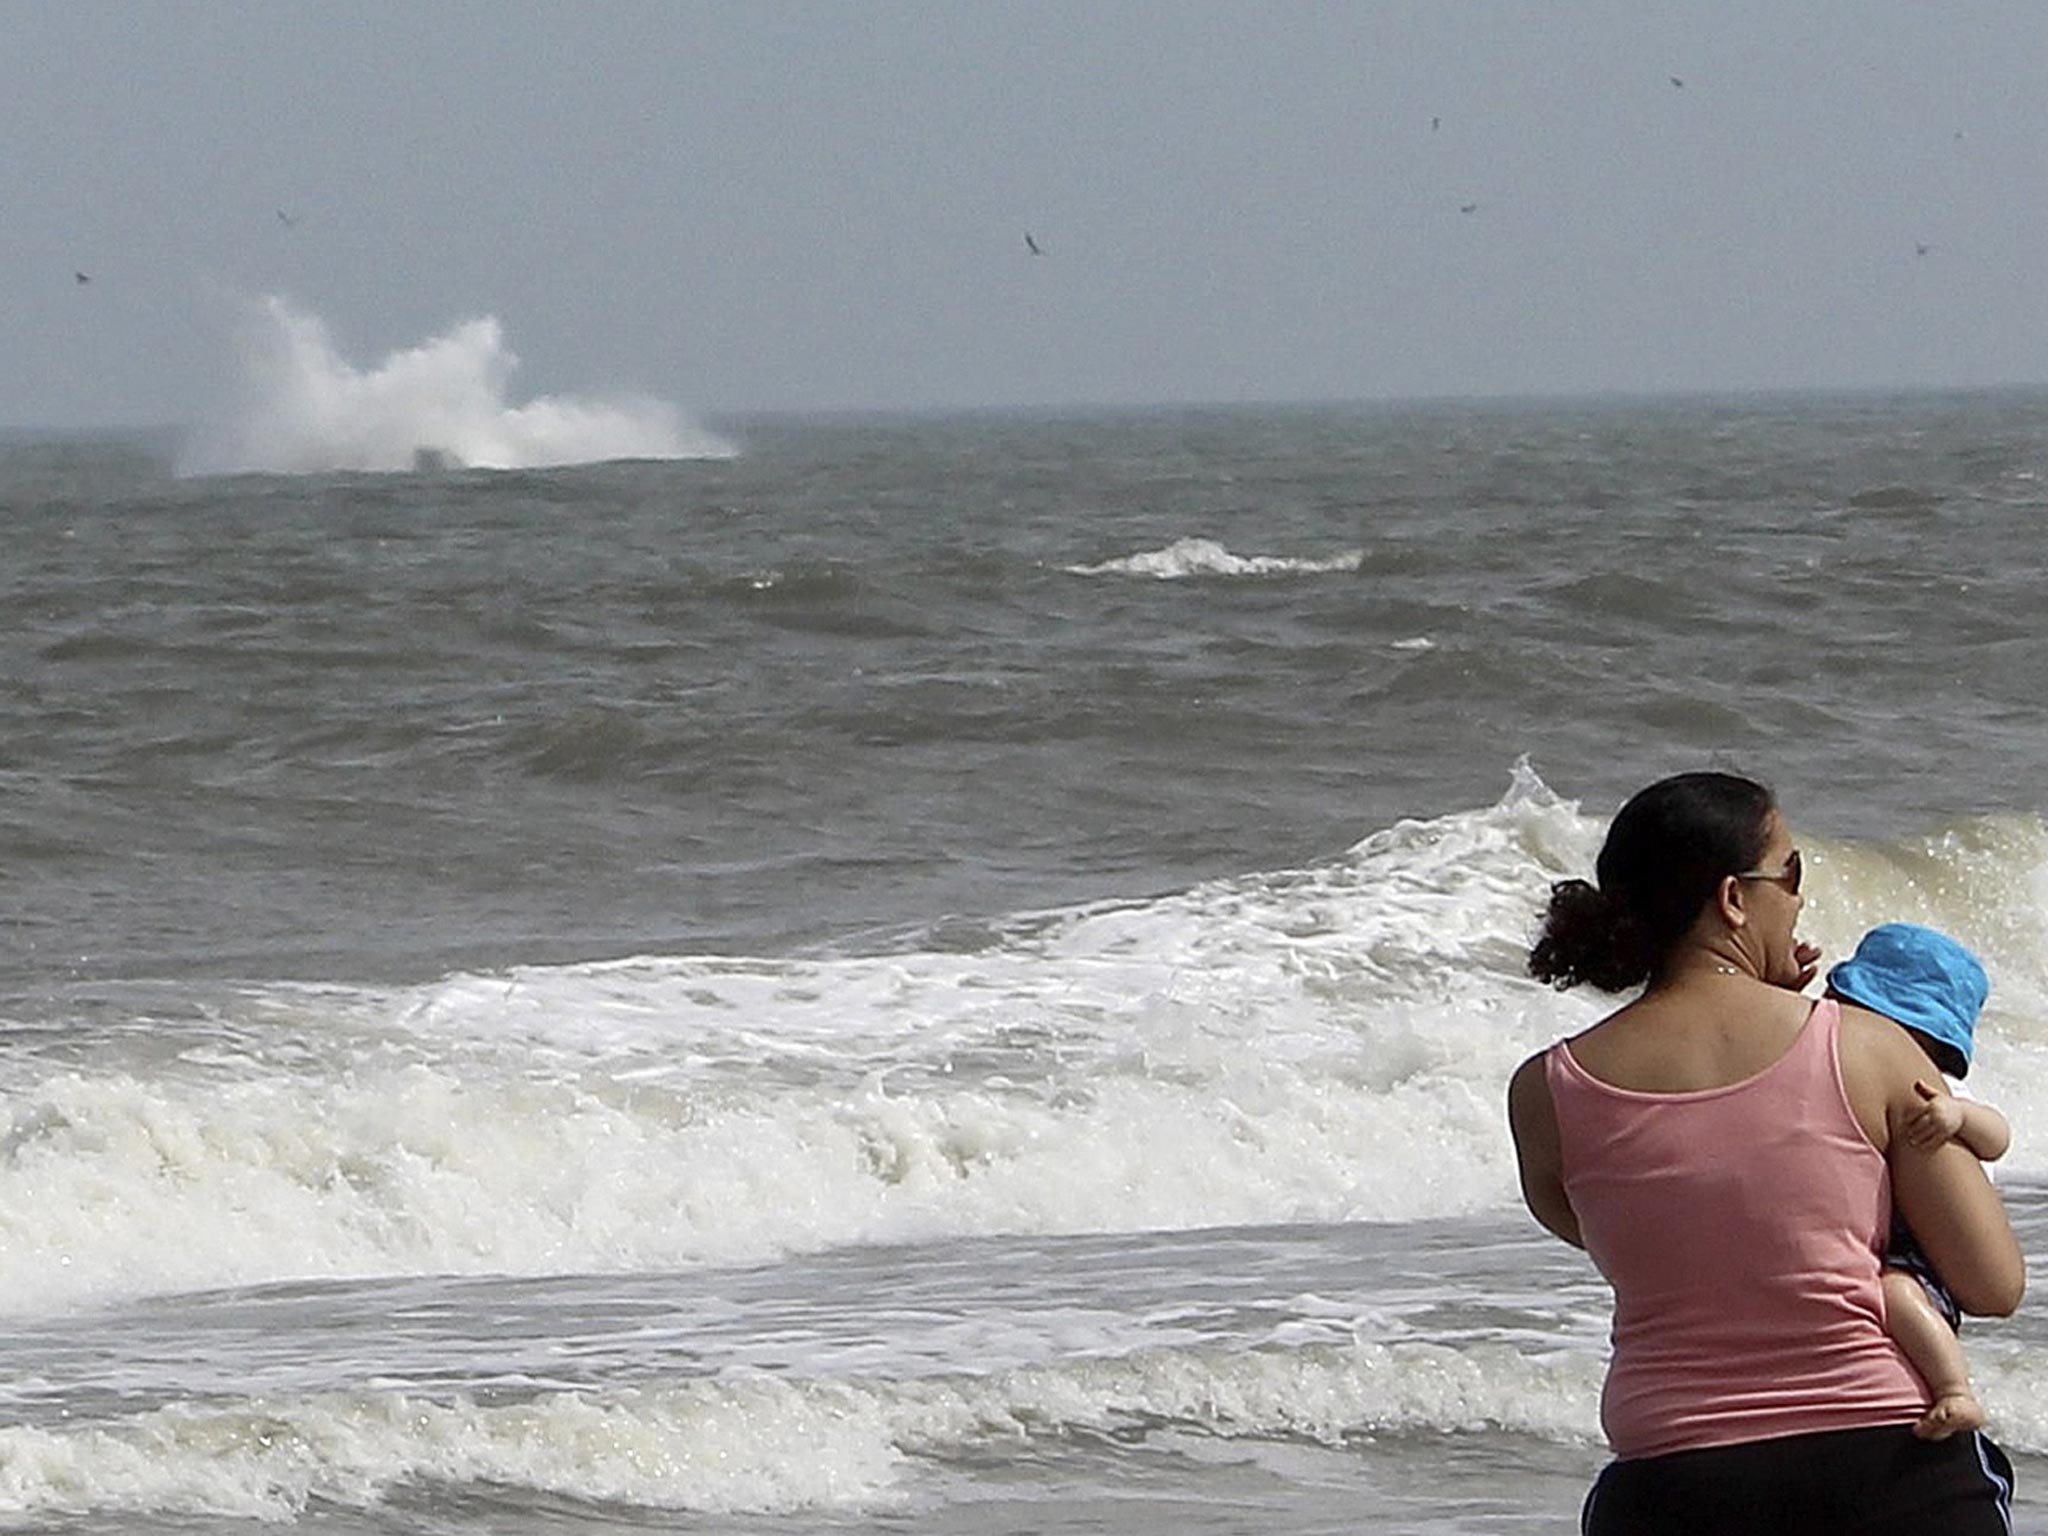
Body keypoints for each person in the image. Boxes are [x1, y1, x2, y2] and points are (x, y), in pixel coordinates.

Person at [1508, 771, 2024, 1535]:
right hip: (1890, 1467)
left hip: (1673, 1483)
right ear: (1732, 899)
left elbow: (1671, 1241)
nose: (1801, 898)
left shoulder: (1547, 1091)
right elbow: (1991, 1282)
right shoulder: (1867, 1047)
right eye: (1791, 873)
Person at [1825, 923, 2012, 1442]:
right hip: (1874, 1246)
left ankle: (1955, 1390)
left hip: (1924, 1262)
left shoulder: (1939, 1096)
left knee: (1896, 1293)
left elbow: (1997, 1137)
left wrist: (1957, 1119)